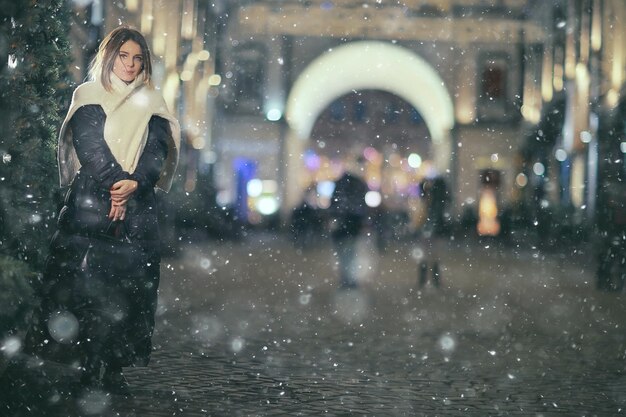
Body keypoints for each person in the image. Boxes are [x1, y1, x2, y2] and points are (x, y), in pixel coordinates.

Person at [24, 26, 180, 395]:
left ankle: (111, 367)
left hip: (137, 214)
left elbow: (157, 150)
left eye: (137, 58)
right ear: (111, 57)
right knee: (86, 292)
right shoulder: (90, 94)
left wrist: (135, 183)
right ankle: (88, 366)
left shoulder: (153, 101)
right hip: (91, 209)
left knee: (128, 295)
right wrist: (115, 184)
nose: (130, 64)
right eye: (124, 56)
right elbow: (89, 143)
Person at [329, 157, 369, 289]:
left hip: (342, 225)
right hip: (353, 225)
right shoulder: (359, 184)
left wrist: (334, 219)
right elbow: (362, 207)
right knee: (351, 252)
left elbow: (334, 205)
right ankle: (350, 279)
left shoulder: (340, 184)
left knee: (343, 252)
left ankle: (346, 278)